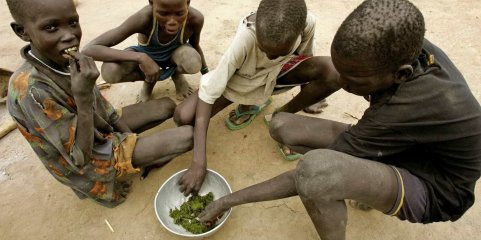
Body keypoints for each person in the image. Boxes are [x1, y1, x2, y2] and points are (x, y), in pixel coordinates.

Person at [198, 0, 481, 239]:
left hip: (435, 185)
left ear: (402, 75)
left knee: (316, 173)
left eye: (354, 80)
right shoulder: (400, 45)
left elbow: (305, 176)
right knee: (282, 125)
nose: (342, 84)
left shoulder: (408, 106)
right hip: (401, 142)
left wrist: (228, 200)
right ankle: (372, 172)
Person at [6, 0, 193, 208]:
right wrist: (83, 98)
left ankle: (131, 156)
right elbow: (79, 158)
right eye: (51, 27)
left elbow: (105, 111)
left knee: (165, 106)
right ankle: (107, 182)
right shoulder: (31, 92)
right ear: (22, 32)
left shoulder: (64, 59)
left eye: (73, 22)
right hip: (84, 158)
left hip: (97, 127)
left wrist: (130, 141)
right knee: (187, 137)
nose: (69, 35)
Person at [173, 0, 340, 196]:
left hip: (278, 75)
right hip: (241, 82)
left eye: (278, 53)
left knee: (333, 73)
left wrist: (308, 95)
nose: (270, 57)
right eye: (264, 49)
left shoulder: (306, 23)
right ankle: (250, 103)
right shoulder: (246, 38)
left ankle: (282, 116)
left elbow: (304, 56)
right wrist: (199, 162)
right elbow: (208, 94)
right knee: (183, 117)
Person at [82, 0, 207, 102]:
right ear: (151, 4)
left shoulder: (195, 19)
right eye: (163, 14)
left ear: (188, 3)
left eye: (179, 14)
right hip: (146, 55)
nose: (172, 21)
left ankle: (176, 75)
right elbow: (89, 50)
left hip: (175, 54)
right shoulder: (144, 18)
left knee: (193, 62)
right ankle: (149, 80)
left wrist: (206, 74)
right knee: (110, 71)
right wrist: (141, 58)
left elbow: (195, 45)